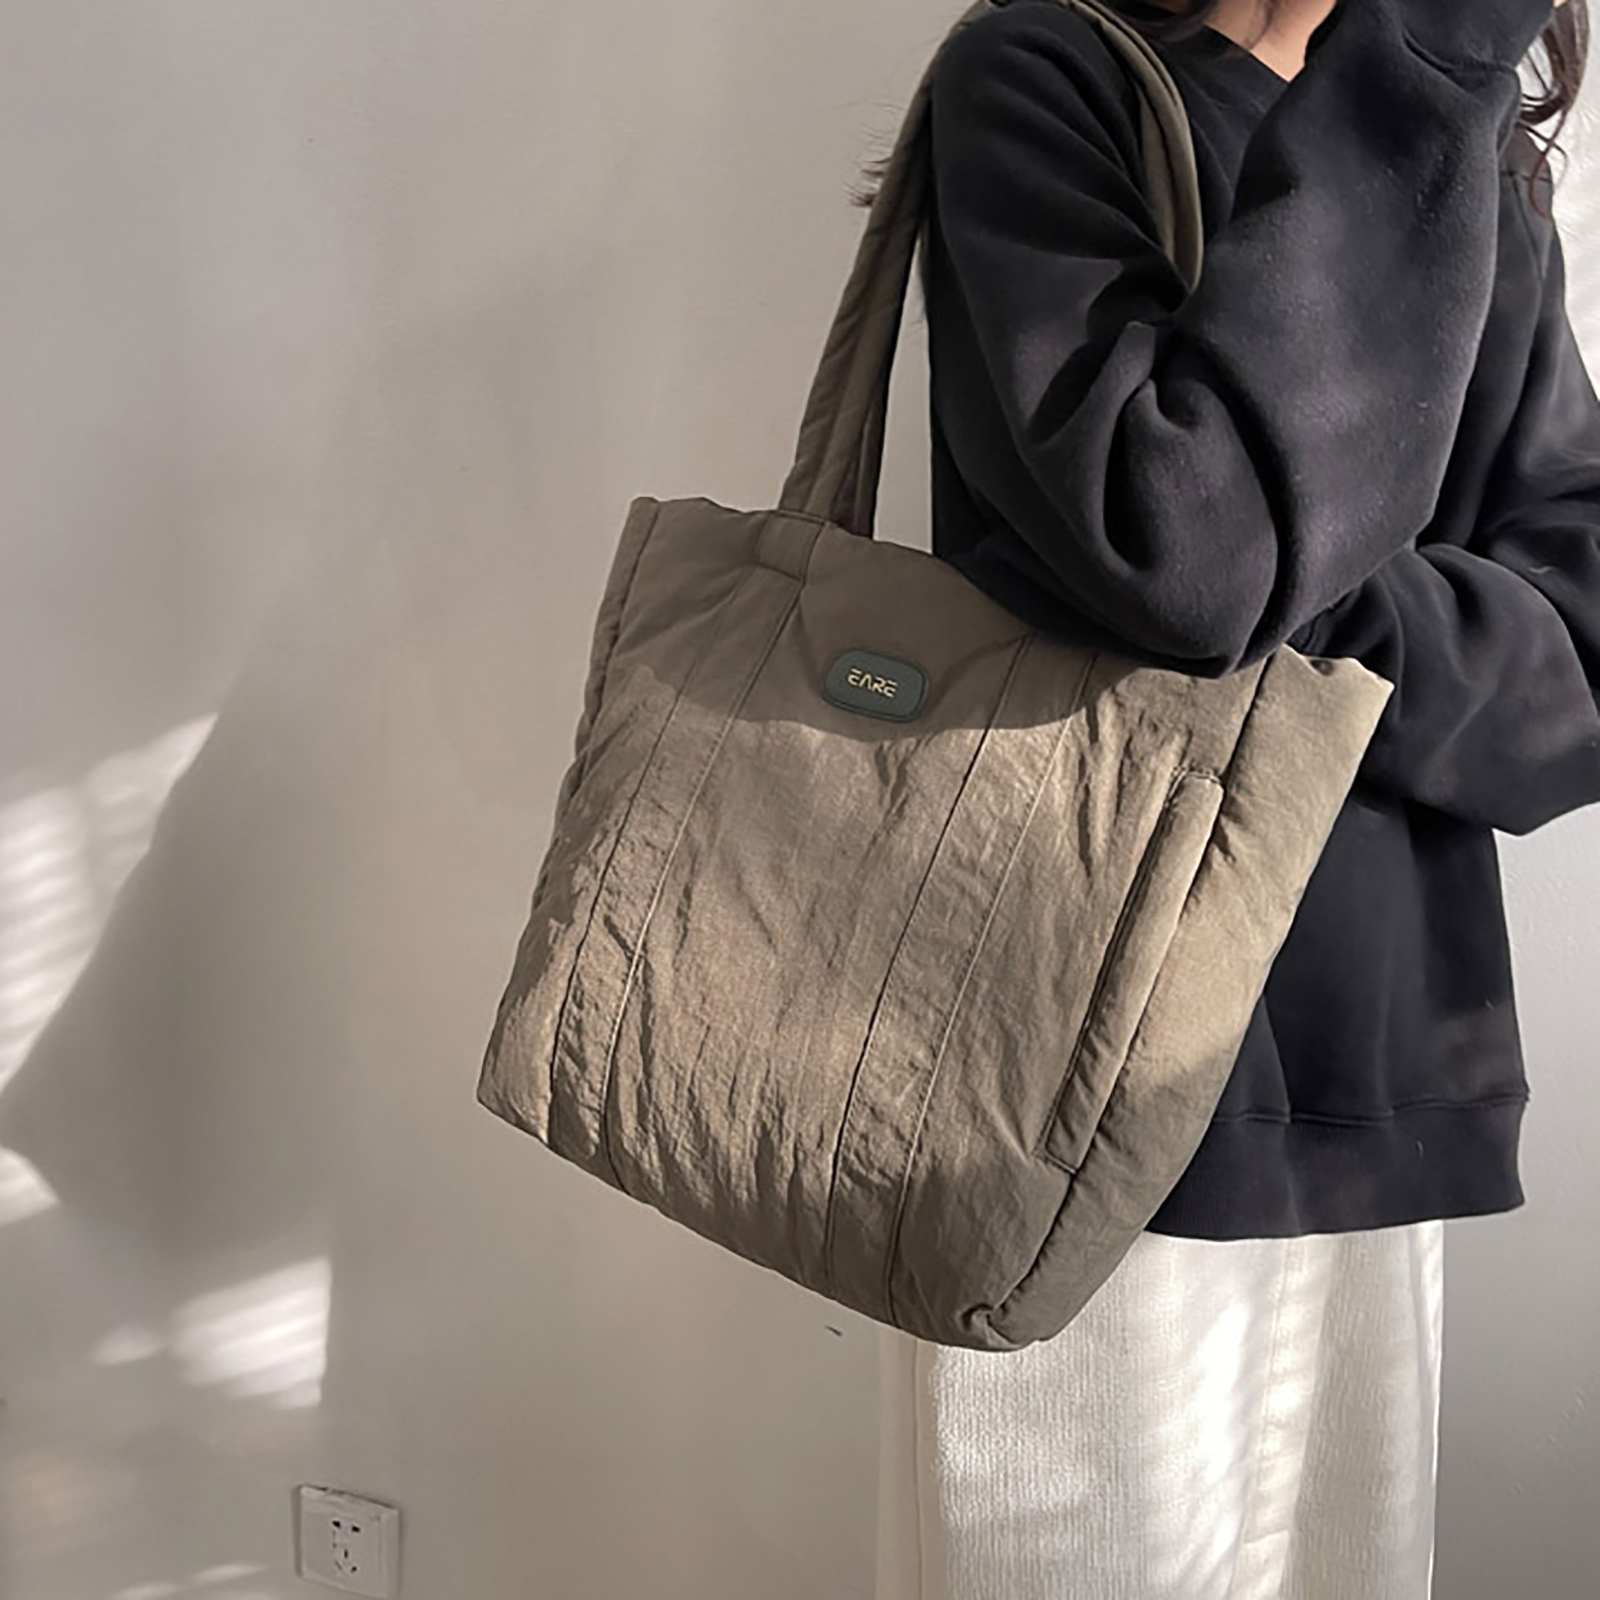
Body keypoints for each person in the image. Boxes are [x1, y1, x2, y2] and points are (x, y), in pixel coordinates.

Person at [872, 0, 1600, 1595]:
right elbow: (1187, 544)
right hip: (1064, 1084)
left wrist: (1296, 609)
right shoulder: (1047, 81)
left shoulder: (1461, 143)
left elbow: (1578, 658)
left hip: (1375, 1085)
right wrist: (1414, 81)